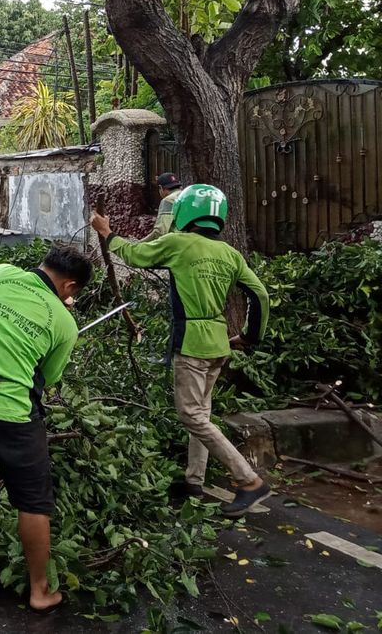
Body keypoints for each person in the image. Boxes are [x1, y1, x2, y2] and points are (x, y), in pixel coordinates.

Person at [91, 183, 271, 517]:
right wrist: (249, 337)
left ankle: (249, 481)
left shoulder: (178, 243)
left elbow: (135, 256)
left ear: (185, 212)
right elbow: (259, 295)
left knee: (191, 415)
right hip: (219, 343)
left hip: (191, 345)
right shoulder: (229, 254)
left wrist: (108, 233)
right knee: (201, 414)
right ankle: (194, 480)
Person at [0, 245, 92, 612]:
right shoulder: (64, 322)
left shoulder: (1, 273)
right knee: (33, 502)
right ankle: (40, 590)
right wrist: (58, 316)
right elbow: (49, 377)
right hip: (14, 414)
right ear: (70, 287)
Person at [143, 172, 185, 241]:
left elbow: (160, 232)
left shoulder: (168, 200)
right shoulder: (187, 196)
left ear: (161, 188)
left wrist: (139, 244)